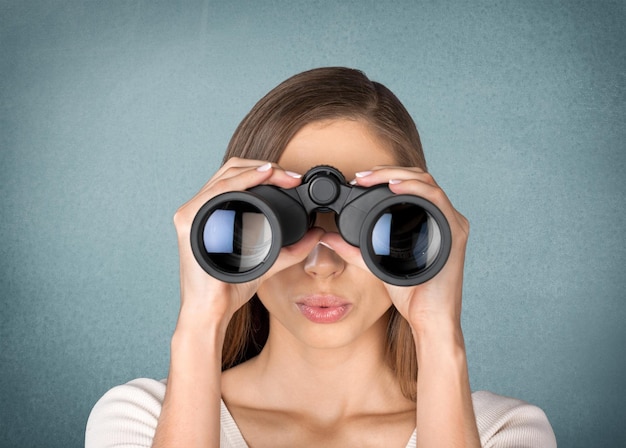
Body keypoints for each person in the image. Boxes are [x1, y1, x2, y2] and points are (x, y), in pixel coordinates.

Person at [85, 67, 557, 447]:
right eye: (282, 222)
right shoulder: (139, 420)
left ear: (415, 224)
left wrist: (438, 331)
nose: (322, 264)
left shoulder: (502, 431)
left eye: (367, 220)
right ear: (232, 220)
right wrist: (200, 324)